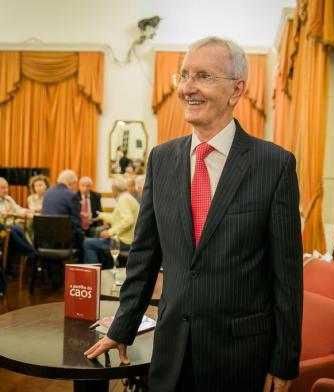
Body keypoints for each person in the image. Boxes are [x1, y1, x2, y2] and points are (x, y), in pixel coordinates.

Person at [85, 37, 303, 392]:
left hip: (241, 357)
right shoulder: (161, 159)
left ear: (237, 89)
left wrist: (284, 361)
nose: (187, 88)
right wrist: (122, 327)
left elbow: (287, 278)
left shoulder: (274, 165)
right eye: (184, 75)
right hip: (171, 351)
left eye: (203, 76)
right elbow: (143, 256)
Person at [83, 177, 139, 264]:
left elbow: (128, 220)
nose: (112, 192)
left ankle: (93, 274)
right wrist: (101, 216)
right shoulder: (128, 197)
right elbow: (117, 218)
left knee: (88, 243)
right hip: (129, 240)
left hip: (124, 242)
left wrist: (109, 232)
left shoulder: (123, 200)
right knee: (96, 240)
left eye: (112, 190)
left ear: (115, 189)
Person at [0, 177, 36, 277]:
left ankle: (12, 267)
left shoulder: (8, 199)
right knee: (15, 229)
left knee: (15, 232)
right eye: (3, 188)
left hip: (9, 230)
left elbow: (18, 209)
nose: (6, 190)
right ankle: (31, 252)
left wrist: (27, 211)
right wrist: (6, 214)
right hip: (1, 233)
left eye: (7, 187)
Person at [42, 170, 84, 250]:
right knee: (85, 244)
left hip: (45, 241)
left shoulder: (48, 192)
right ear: (71, 183)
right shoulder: (72, 195)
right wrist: (81, 240)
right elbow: (77, 223)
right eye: (75, 184)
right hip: (64, 242)